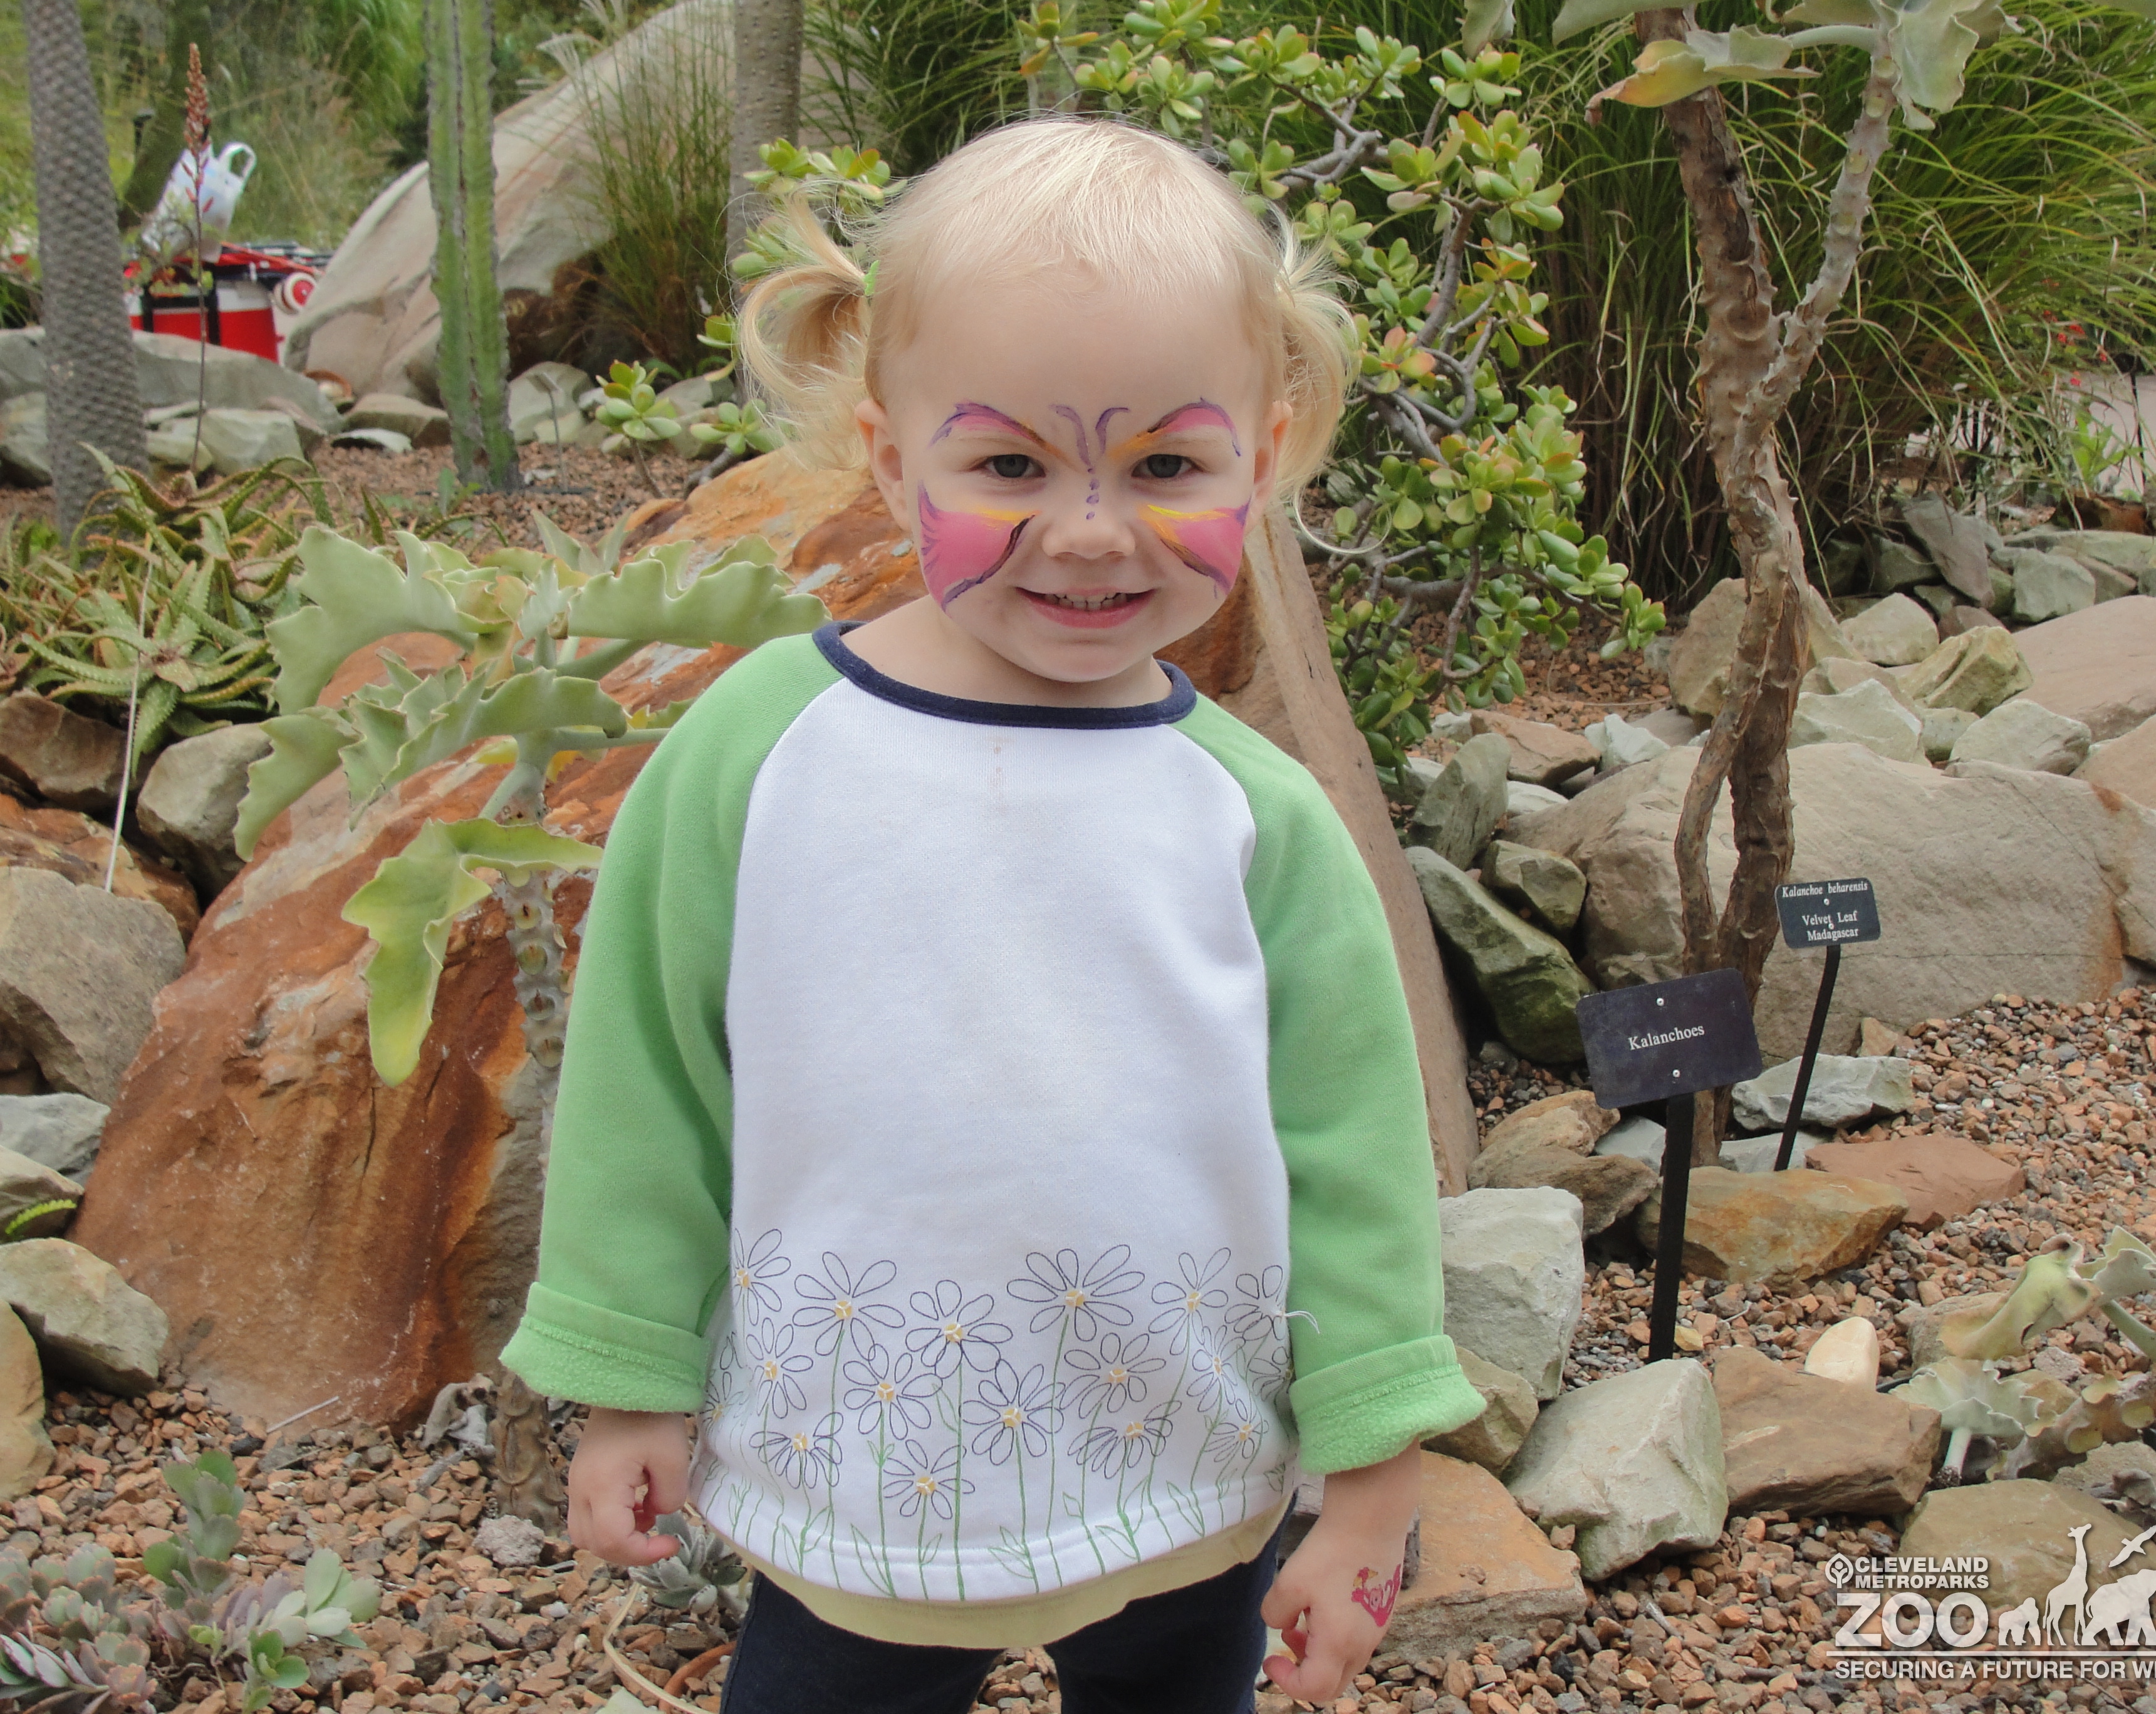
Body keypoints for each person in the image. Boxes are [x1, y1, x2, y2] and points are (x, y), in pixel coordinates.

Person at [500, 115, 1481, 1714]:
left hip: (1185, 1479)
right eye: (1010, 465)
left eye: (1166, 465)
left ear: (1264, 456)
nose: (1089, 530)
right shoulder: (758, 754)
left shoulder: (1258, 819)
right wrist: (629, 1378)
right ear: (892, 457)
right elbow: (649, 1080)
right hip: (854, 1474)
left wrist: (1371, 1472)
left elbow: (1352, 1155)